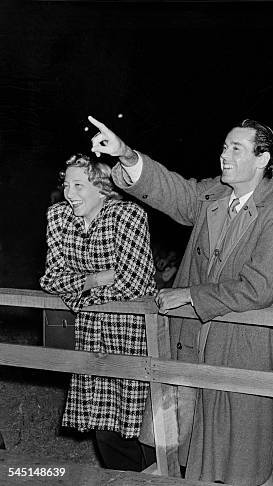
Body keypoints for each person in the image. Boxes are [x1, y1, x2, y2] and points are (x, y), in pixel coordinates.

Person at [88, 116, 273, 486]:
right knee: (179, 441)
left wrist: (190, 294)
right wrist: (125, 154)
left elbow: (260, 287)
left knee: (229, 453)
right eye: (223, 147)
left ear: (263, 159)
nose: (224, 155)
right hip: (192, 337)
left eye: (236, 148)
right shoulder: (212, 194)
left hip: (238, 344)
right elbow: (170, 189)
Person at [40, 154, 156, 471]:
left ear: (103, 188)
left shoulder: (128, 215)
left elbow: (136, 282)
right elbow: (51, 278)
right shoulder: (59, 217)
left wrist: (78, 290)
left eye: (79, 185)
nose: (69, 193)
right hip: (90, 334)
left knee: (140, 427)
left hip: (132, 332)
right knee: (104, 427)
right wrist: (98, 278)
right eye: (66, 184)